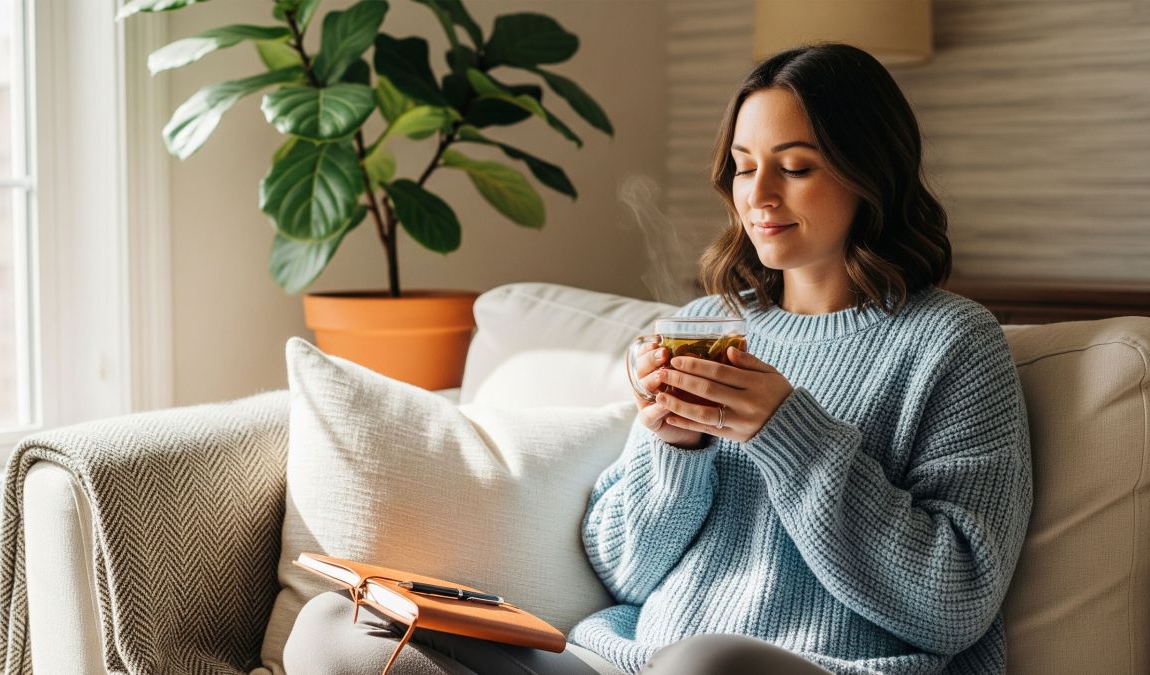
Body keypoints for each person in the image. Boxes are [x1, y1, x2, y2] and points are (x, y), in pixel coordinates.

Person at [282, 42, 1033, 675]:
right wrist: (672, 446)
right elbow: (623, 569)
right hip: (628, 658)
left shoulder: (952, 343)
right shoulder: (705, 324)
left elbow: (954, 602)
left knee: (703, 665)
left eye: (795, 166)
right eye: (744, 166)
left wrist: (788, 432)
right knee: (334, 628)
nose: (759, 195)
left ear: (872, 171)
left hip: (797, 667)